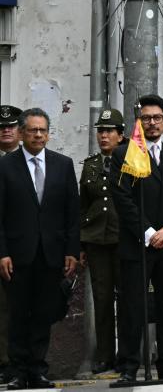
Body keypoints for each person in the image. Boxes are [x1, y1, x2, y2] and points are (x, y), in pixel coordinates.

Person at [109, 95, 163, 382]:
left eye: (157, 118)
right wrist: (147, 232)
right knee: (133, 306)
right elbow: (122, 199)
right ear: (140, 122)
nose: (152, 123)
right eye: (146, 118)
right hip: (137, 244)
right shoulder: (125, 154)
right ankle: (130, 365)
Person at [0, 108, 79, 389]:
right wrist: (3, 252)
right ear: (21, 133)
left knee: (43, 313)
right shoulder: (6, 166)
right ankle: (18, 371)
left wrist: (71, 250)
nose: (38, 135)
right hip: (18, 255)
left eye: (42, 130)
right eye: (32, 130)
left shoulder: (63, 164)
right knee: (19, 314)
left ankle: (38, 369)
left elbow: (72, 213)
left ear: (48, 133)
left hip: (52, 253)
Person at [79, 108, 126, 374]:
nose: (103, 136)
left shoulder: (131, 161)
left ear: (120, 135)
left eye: (109, 131)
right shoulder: (91, 164)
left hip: (123, 239)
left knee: (127, 298)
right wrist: (81, 245)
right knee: (103, 298)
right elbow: (83, 206)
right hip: (97, 239)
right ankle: (105, 355)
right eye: (100, 131)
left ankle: (127, 352)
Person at [0, 105, 22, 384]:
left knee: (11, 309)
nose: (5, 130)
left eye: (11, 126)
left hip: (17, 248)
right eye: (1, 127)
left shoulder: (28, 162)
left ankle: (9, 362)